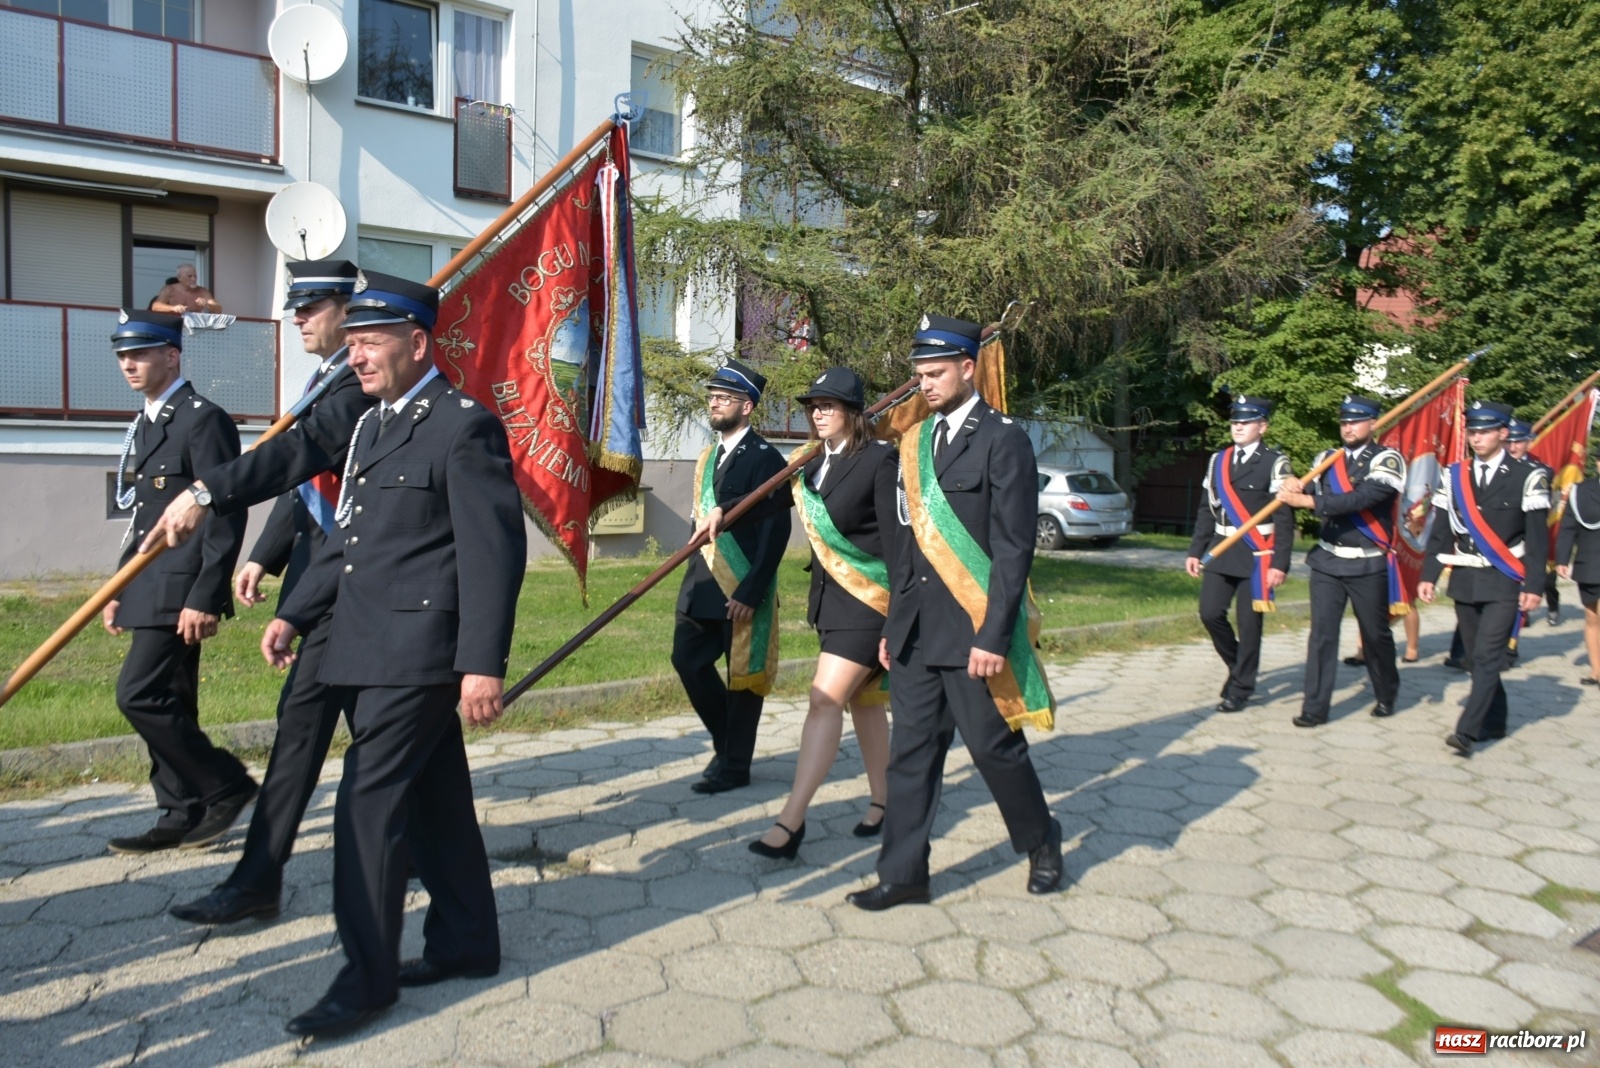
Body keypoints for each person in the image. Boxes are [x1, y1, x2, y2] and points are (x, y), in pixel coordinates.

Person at [259, 271, 526, 1037]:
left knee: (367, 807)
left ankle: (365, 977)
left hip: (420, 651)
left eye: (370, 342)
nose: (356, 356)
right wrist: (298, 611)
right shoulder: (372, 424)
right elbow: (350, 538)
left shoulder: (463, 425)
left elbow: (491, 554)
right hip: (366, 639)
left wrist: (483, 663)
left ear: (417, 342)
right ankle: (469, 942)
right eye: (350, 343)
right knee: (439, 801)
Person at [169, 259, 363, 926]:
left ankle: (264, 880)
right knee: (332, 729)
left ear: (345, 307)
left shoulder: (361, 384)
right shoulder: (326, 379)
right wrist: (264, 555)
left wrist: (206, 490)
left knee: (348, 731)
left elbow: (301, 451)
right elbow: (308, 482)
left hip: (361, 586)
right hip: (326, 578)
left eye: (310, 307)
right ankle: (264, 879)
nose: (297, 319)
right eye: (295, 307)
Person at [849, 313, 1061, 912]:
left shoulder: (1003, 439)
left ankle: (1042, 840)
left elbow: (1014, 550)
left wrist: (995, 634)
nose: (926, 385)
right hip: (917, 636)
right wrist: (894, 628)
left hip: (972, 634)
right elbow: (907, 549)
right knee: (910, 757)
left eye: (936, 373)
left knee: (994, 748)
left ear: (969, 368)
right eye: (919, 375)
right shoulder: (913, 443)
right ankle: (903, 875)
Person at [726, 367, 899, 858]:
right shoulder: (812, 464)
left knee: (823, 699)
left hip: (870, 605)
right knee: (864, 705)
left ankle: (791, 821)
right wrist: (725, 510)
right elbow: (768, 505)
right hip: (829, 604)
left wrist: (900, 618)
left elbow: (900, 545)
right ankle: (886, 803)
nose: (818, 413)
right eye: (812, 406)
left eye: (828, 405)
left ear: (853, 411)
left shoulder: (880, 461)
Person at [100, 310, 255, 854]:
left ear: (172, 354)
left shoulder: (201, 419)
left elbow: (225, 511)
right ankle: (179, 811)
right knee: (172, 699)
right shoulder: (147, 421)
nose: (128, 364)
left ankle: (225, 784)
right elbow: (146, 519)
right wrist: (119, 588)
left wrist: (206, 594)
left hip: (181, 587)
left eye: (140, 353)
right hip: (148, 582)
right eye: (122, 355)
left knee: (137, 694)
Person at [673, 359, 791, 795]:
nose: (714, 404)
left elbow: (775, 531)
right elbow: (698, 524)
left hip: (740, 589)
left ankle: (734, 765)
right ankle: (727, 743)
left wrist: (753, 590)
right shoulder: (707, 457)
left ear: (747, 407)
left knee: (742, 680)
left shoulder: (766, 459)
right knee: (687, 660)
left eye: (723, 399)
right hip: (701, 586)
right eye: (712, 398)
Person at [1419, 401, 1549, 755]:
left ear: (1503, 434)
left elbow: (1537, 539)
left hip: (1505, 578)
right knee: (1477, 657)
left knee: (1489, 656)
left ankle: (1467, 731)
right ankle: (1496, 720)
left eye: (1485, 431)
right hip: (1464, 577)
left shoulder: (1529, 476)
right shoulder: (1453, 474)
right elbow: (1441, 531)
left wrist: (1535, 586)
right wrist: (1429, 574)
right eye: (1472, 432)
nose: (1476, 438)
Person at [1277, 395, 1405, 726]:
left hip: (1367, 562)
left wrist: (1306, 501)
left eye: (1356, 420)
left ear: (1373, 423)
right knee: (1322, 635)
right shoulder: (1326, 459)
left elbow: (1361, 499)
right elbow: (1304, 484)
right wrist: (1294, 482)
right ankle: (1314, 708)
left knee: (1375, 634)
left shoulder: (1387, 460)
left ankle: (1386, 691)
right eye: (1344, 421)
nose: (1348, 427)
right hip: (1327, 561)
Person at [1184, 395, 1294, 713]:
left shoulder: (1276, 462)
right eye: (1235, 422)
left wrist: (1281, 563)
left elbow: (1285, 519)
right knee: (1210, 613)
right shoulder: (1218, 460)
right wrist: (1195, 550)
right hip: (1221, 549)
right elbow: (1207, 509)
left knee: (1249, 625)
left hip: (1258, 554)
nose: (1238, 427)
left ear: (1263, 426)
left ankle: (1242, 688)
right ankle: (1238, 668)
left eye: (1245, 422)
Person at [1507, 418, 1561, 625]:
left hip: (1532, 532)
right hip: (1508, 536)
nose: (1512, 447)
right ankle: (1521, 617)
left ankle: (1553, 604)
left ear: (1529, 442)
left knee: (1544, 577)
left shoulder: (1541, 471)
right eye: (1509, 442)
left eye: (1518, 442)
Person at [1555, 455, 1600, 685]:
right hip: (1590, 564)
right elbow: (1568, 527)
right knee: (1592, 617)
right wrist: (1562, 559)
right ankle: (1596, 671)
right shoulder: (1581, 491)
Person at [153, 263, 222, 314]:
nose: (193, 279)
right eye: (189, 276)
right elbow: (155, 306)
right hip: (175, 325)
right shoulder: (169, 289)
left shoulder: (202, 291)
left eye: (195, 276)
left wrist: (207, 305)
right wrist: (173, 308)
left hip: (195, 327)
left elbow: (218, 309)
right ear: (179, 278)